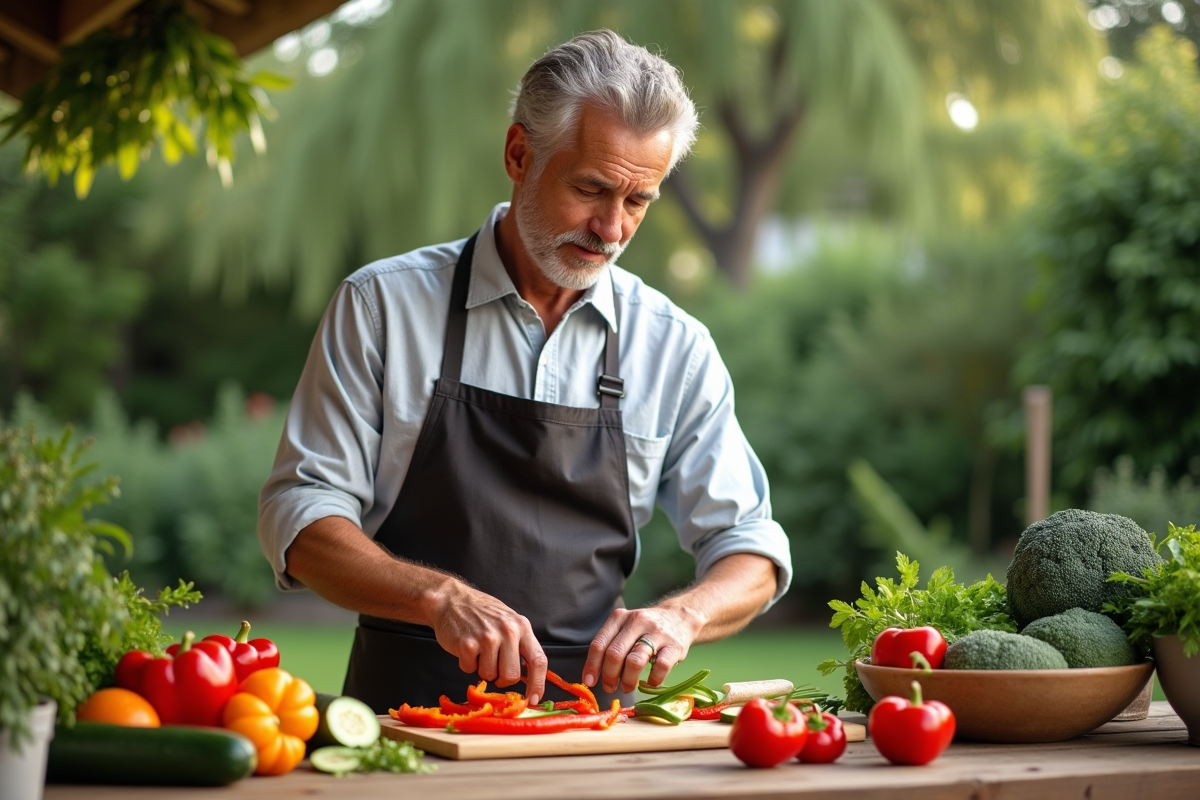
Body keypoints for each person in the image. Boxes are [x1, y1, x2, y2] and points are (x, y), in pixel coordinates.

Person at [257, 29, 793, 714]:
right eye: (592, 189)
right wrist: (440, 598)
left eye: (638, 202)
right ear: (518, 154)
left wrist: (682, 616)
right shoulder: (382, 307)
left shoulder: (675, 347)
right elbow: (299, 518)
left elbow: (750, 547)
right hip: (410, 723)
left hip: (589, 728)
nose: (612, 230)